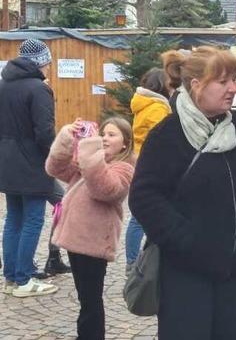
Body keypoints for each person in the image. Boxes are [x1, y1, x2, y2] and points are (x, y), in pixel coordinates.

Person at [128, 46, 236, 339]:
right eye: (223, 82)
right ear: (197, 86)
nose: (233, 88)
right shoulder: (168, 135)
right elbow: (144, 198)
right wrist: (188, 241)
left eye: (233, 79)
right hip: (185, 277)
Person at [45, 117, 134, 339]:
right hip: (75, 239)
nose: (104, 138)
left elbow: (103, 189)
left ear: (125, 143)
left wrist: (90, 149)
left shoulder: (124, 168)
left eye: (112, 135)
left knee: (91, 300)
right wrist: (67, 136)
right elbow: (54, 168)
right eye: (103, 133)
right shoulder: (90, 161)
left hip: (94, 242)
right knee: (85, 297)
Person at [0, 38, 58, 297]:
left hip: (6, 161)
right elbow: (44, 133)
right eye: (48, 62)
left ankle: (11, 277)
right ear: (41, 62)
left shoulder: (3, 85)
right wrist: (57, 157)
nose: (49, 68)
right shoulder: (38, 89)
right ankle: (24, 280)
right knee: (33, 219)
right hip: (33, 162)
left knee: (13, 219)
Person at [125, 67, 172, 274]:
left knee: (138, 215)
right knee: (140, 217)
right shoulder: (157, 108)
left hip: (139, 159)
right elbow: (164, 139)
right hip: (153, 164)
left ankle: (132, 260)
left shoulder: (143, 104)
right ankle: (133, 262)